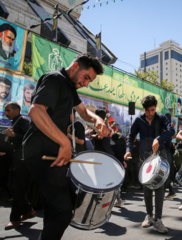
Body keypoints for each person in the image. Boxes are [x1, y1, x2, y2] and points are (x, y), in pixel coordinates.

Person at [22, 53, 107, 240]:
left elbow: (85, 114)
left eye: (90, 81)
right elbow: (36, 110)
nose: (86, 83)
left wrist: (98, 120)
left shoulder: (70, 88)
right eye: (86, 77)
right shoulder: (55, 79)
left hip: (54, 154)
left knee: (56, 212)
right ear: (75, 67)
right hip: (41, 152)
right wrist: (64, 141)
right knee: (62, 213)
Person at [124, 95, 174, 234]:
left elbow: (171, 131)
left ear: (155, 108)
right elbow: (130, 136)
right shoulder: (139, 120)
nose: (150, 113)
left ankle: (158, 220)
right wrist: (128, 150)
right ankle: (149, 216)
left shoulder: (162, 118)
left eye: (152, 110)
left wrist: (159, 138)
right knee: (146, 188)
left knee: (159, 186)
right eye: (147, 111)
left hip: (160, 155)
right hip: (145, 156)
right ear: (144, 109)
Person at [3, 102, 36, 230]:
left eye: (8, 110)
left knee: (18, 189)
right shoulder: (15, 122)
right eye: (5, 111)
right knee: (13, 186)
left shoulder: (23, 120)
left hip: (24, 159)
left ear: (17, 110)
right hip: (17, 158)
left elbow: (30, 139)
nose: (6, 113)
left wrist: (14, 135)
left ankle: (15, 218)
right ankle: (28, 210)